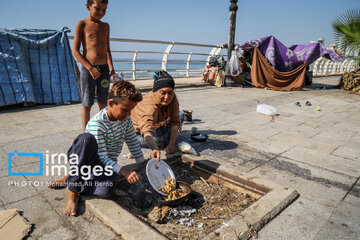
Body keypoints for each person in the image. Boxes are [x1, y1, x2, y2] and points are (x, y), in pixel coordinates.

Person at [49, 81, 160, 216]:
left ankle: (71, 177)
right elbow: (101, 156)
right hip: (86, 159)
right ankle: (73, 191)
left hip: (104, 165)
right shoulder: (98, 123)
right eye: (125, 110)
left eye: (131, 110)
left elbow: (132, 142)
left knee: (106, 190)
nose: (128, 114)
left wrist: (142, 163)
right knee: (86, 139)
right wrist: (123, 171)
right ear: (111, 103)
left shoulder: (125, 120)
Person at [72, 0, 115, 132]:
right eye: (97, 8)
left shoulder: (106, 26)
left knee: (103, 101)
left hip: (104, 70)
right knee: (87, 102)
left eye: (104, 9)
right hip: (88, 69)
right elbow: (75, 51)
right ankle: (86, 132)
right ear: (88, 6)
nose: (101, 12)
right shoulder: (82, 24)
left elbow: (107, 49)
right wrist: (90, 68)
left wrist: (111, 67)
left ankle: (103, 129)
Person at [131, 71, 182, 154]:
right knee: (160, 140)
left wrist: (171, 145)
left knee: (181, 116)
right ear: (155, 91)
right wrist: (154, 148)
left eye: (170, 93)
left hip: (160, 124)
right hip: (140, 133)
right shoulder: (148, 104)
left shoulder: (173, 97)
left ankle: (167, 135)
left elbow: (175, 121)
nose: (167, 97)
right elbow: (147, 129)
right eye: (163, 93)